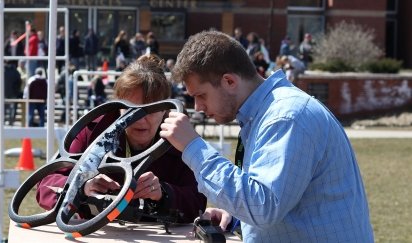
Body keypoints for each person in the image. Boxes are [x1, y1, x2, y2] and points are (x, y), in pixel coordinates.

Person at [159, 30, 373, 242]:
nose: (198, 107)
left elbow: (263, 207)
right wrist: (236, 217)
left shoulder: (286, 117)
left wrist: (193, 147)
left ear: (229, 82)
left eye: (201, 95)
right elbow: (277, 198)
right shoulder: (265, 113)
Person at [36, 54, 207, 224]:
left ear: (165, 111)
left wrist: (164, 192)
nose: (140, 119)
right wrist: (81, 185)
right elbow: (45, 184)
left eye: (151, 110)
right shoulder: (94, 130)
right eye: (131, 111)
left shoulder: (179, 140)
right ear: (118, 108)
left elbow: (198, 201)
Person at [3, 62, 22, 126]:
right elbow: (19, 82)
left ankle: (3, 121)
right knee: (12, 109)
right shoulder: (16, 72)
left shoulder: (4, 71)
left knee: (4, 108)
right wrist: (16, 91)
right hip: (13, 94)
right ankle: (11, 121)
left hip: (5, 93)